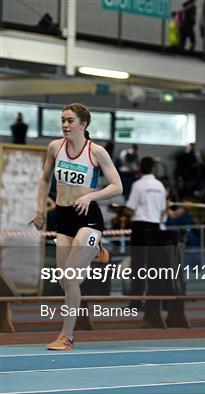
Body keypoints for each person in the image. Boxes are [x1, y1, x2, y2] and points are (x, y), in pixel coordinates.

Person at [33, 103, 122, 350]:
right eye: (62, 120)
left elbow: (117, 186)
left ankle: (67, 336)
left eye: (70, 121)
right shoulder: (54, 147)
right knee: (65, 280)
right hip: (64, 217)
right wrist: (40, 209)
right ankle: (95, 251)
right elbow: (44, 179)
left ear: (83, 124)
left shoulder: (96, 152)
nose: (65, 125)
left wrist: (90, 196)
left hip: (88, 218)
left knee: (71, 279)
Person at [125, 157, 167, 305]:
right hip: (155, 227)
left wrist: (120, 213)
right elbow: (162, 211)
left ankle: (136, 302)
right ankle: (153, 303)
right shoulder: (160, 186)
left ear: (140, 168)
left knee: (138, 265)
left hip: (140, 227)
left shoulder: (138, 185)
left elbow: (130, 209)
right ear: (153, 168)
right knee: (154, 266)